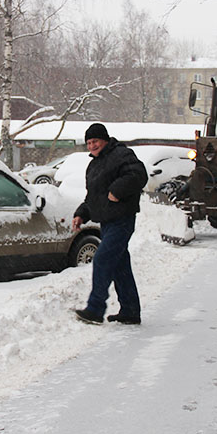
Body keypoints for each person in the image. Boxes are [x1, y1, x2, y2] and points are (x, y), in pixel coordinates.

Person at [72, 123, 148, 325]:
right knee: (119, 266)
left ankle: (95, 309)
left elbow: (138, 175)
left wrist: (117, 191)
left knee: (102, 259)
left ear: (105, 139)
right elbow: (94, 196)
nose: (92, 146)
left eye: (95, 141)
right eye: (88, 143)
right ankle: (130, 310)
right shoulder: (94, 165)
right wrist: (82, 213)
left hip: (122, 219)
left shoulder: (121, 154)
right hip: (107, 222)